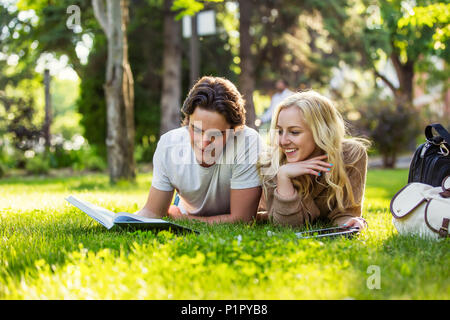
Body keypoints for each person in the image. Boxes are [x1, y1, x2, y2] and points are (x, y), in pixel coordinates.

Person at [136, 76, 263, 223]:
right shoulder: (169, 144)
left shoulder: (247, 142)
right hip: (186, 205)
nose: (204, 143)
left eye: (215, 134)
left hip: (186, 212)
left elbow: (242, 219)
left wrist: (184, 219)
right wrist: (120, 221)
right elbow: (152, 212)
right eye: (196, 130)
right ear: (188, 121)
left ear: (234, 130)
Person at [256, 90, 370, 229]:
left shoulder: (351, 155)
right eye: (279, 131)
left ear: (321, 131)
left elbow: (346, 213)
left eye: (294, 132)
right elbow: (286, 226)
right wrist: (284, 176)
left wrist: (351, 223)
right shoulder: (272, 161)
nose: (283, 141)